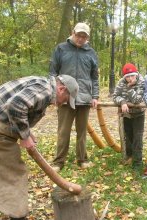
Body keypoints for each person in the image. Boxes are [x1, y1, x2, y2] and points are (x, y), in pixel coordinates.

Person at [0, 75, 79, 220]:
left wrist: (26, 131)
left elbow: (15, 108)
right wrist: (25, 136)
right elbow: (16, 105)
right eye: (66, 98)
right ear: (61, 89)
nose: (63, 103)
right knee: (13, 173)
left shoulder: (41, 84)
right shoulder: (46, 90)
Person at [49, 22, 99, 171]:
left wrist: (95, 95)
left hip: (84, 98)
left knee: (82, 131)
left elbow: (95, 77)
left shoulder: (91, 53)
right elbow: (52, 74)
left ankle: (82, 159)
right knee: (63, 131)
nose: (80, 38)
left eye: (84, 36)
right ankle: (58, 162)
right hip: (65, 97)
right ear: (73, 33)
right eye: (78, 35)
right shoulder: (60, 49)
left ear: (87, 37)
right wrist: (54, 94)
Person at [113, 63, 145, 169]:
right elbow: (115, 96)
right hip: (126, 114)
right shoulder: (121, 83)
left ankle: (138, 162)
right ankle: (129, 157)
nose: (130, 79)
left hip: (138, 114)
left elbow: (137, 100)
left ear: (136, 75)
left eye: (132, 76)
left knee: (137, 138)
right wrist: (122, 102)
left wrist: (130, 88)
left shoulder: (141, 82)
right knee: (128, 136)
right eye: (128, 77)